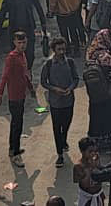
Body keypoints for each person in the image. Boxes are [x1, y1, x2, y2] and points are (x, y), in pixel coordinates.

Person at [0, 31, 36, 167]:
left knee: (18, 124)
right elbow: (5, 77)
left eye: (24, 42)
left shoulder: (22, 56)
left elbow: (25, 75)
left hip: (21, 95)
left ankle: (14, 149)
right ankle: (15, 153)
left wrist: (31, 89)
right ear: (14, 43)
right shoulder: (11, 58)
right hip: (14, 97)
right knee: (16, 125)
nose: (22, 45)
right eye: (19, 43)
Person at [84, 29, 111, 150]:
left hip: (95, 94)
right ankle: (110, 141)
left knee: (97, 116)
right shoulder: (106, 56)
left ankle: (97, 140)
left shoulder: (91, 52)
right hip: (109, 94)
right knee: (110, 116)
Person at [41, 36, 79, 168]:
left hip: (68, 100)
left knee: (66, 124)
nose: (62, 52)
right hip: (55, 102)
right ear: (54, 50)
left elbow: (76, 78)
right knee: (57, 128)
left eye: (63, 49)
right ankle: (60, 154)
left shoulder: (70, 62)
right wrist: (54, 89)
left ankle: (64, 140)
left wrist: (70, 88)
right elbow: (43, 82)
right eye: (59, 49)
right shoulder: (49, 64)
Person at [0, 0, 47, 68]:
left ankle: (28, 70)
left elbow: (38, 8)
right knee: (16, 55)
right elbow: (2, 12)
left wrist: (43, 23)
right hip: (14, 29)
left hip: (28, 28)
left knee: (30, 54)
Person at [72, 137, 108, 205]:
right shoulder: (78, 166)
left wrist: (98, 166)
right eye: (90, 151)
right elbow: (86, 185)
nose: (93, 153)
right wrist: (91, 168)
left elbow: (102, 174)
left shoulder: (95, 161)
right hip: (87, 199)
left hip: (98, 195)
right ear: (82, 151)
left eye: (95, 151)